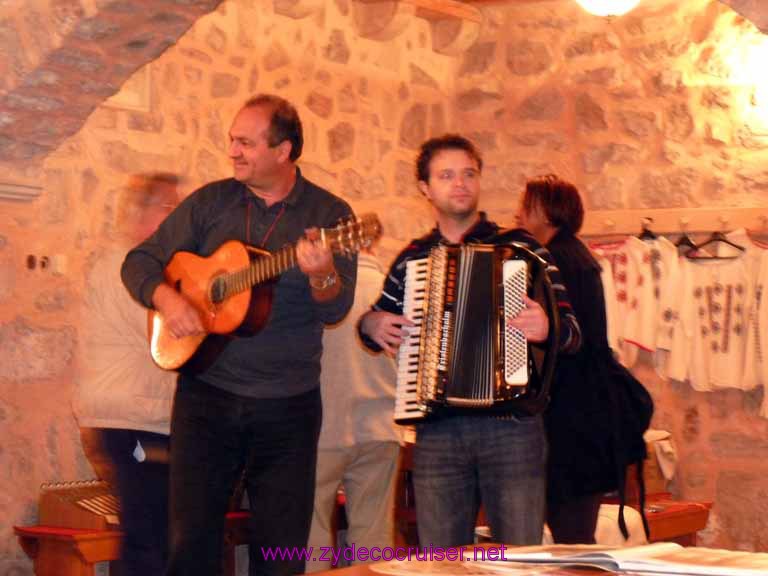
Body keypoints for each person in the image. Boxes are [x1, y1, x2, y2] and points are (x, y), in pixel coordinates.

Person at [121, 94, 357, 576]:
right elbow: (139, 261)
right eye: (232, 140)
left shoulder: (330, 215)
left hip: (288, 405)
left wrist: (322, 273)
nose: (232, 151)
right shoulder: (211, 202)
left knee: (280, 552)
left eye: (245, 143)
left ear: (284, 151)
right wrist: (170, 301)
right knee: (191, 544)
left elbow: (336, 306)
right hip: (206, 398)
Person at [358, 134, 581, 548]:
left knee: (520, 561)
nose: (459, 183)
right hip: (437, 432)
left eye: (468, 174)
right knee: (442, 562)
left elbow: (572, 332)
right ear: (426, 189)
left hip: (512, 428)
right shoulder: (413, 258)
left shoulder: (523, 249)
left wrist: (548, 327)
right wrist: (372, 324)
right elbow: (372, 325)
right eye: (446, 175)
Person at [74, 172, 180, 576]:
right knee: (148, 541)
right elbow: (165, 337)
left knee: (151, 535)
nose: (176, 219)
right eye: (169, 207)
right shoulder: (128, 267)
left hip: (141, 415)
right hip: (131, 419)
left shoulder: (143, 266)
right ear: (141, 213)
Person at [515, 174, 617, 544]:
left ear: (547, 212)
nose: (518, 214)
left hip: (571, 421)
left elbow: (566, 343)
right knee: (574, 537)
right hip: (586, 416)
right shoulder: (577, 255)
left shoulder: (557, 259)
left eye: (526, 207)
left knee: (571, 542)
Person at [306, 250, 401, 572]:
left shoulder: (317, 288)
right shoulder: (389, 288)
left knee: (313, 533)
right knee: (373, 537)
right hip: (380, 427)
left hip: (322, 427)